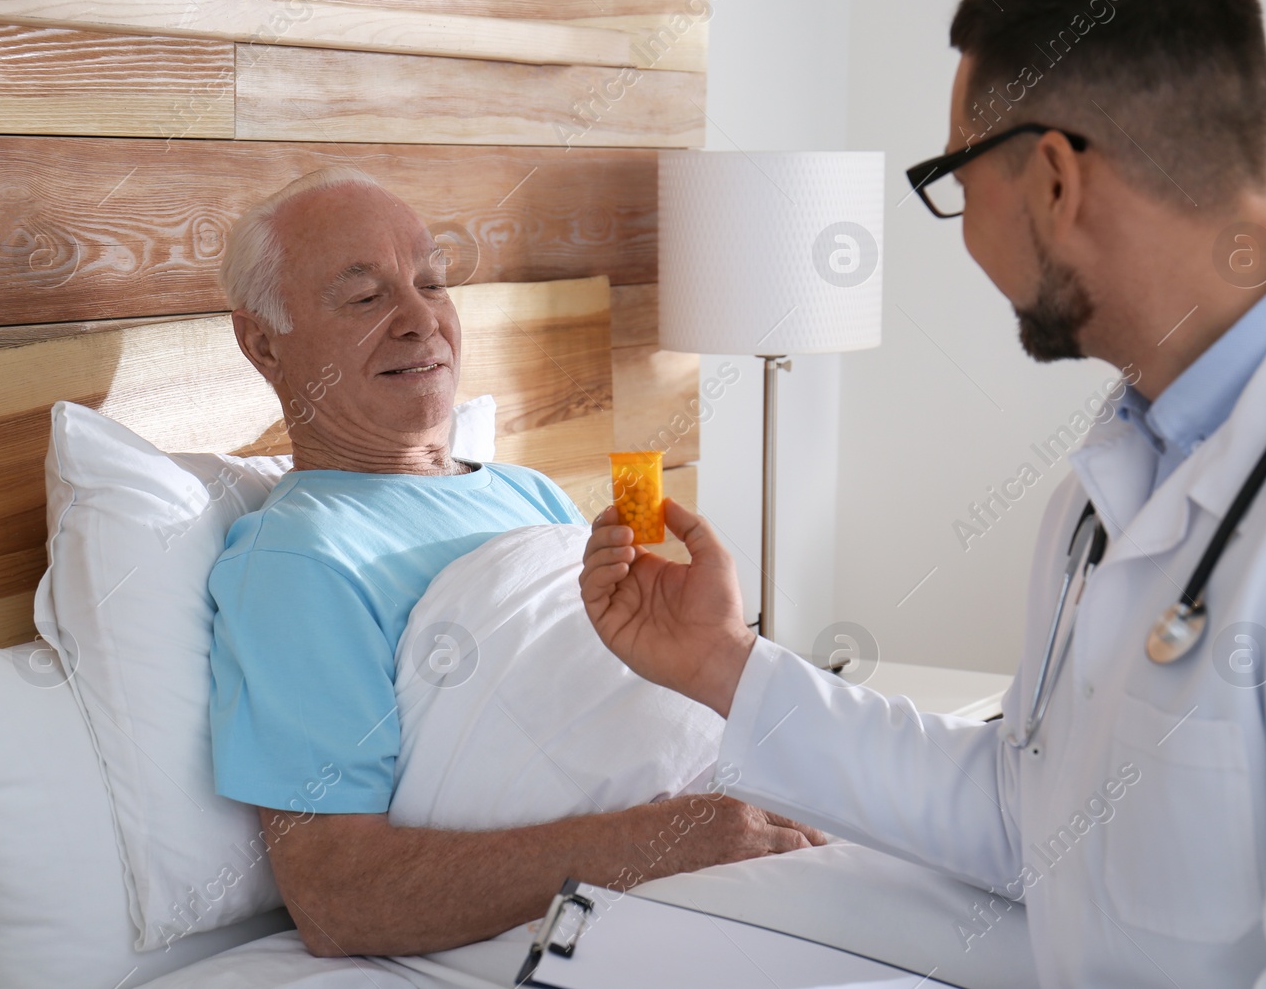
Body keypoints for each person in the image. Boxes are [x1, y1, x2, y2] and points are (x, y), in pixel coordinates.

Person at [580, 0, 1266, 985]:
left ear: (1050, 179)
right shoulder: (1133, 452)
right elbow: (1029, 812)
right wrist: (724, 663)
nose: (955, 226)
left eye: (951, 174)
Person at [207, 167, 823, 958]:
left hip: (739, 829)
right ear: (263, 341)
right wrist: (664, 841)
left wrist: (719, 651)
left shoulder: (527, 492)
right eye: (364, 298)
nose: (419, 319)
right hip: (636, 901)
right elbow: (336, 896)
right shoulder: (299, 559)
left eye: (431, 281)